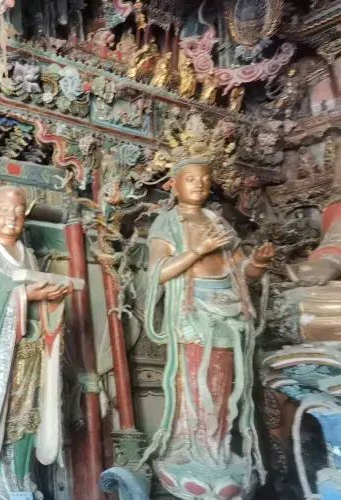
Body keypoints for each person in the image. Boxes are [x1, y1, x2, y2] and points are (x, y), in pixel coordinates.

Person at [141, 157, 273, 499]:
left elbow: (241, 271)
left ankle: (217, 449)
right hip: (192, 310)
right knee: (193, 385)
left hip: (229, 311)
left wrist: (257, 263)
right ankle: (190, 450)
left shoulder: (219, 222)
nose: (198, 184)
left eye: (204, 179)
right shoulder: (167, 222)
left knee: (222, 385)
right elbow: (158, 272)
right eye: (190, 178)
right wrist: (198, 250)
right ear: (174, 184)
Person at [0, 186, 73, 498]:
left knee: (28, 416)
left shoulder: (29, 257)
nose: (12, 217)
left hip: (31, 354)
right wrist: (24, 295)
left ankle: (22, 479)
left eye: (19, 212)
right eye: (3, 211)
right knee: (0, 414)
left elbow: (39, 309)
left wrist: (51, 300)